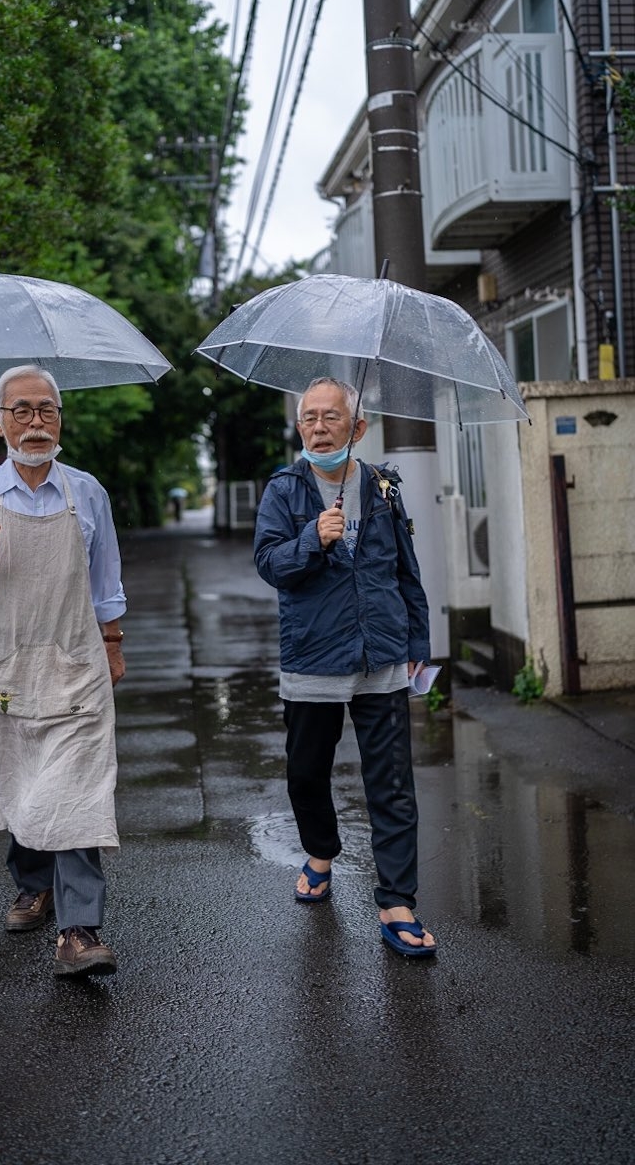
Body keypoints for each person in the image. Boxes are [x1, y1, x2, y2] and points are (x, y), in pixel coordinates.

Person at [0, 365, 126, 978]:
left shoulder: (86, 492)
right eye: (21, 411)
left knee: (77, 789)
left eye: (46, 409)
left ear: (60, 418)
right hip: (5, 660)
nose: (36, 422)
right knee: (23, 778)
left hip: (74, 657)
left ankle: (79, 929)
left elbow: (106, 582)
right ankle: (32, 883)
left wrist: (113, 644)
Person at [253, 377, 437, 957]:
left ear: (357, 428)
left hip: (381, 651)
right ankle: (320, 850)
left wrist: (418, 636)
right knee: (307, 772)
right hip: (314, 656)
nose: (318, 426)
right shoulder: (284, 489)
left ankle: (396, 900)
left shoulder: (383, 486)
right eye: (308, 417)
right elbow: (268, 563)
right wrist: (312, 537)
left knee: (392, 783)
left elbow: (406, 566)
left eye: (331, 416)